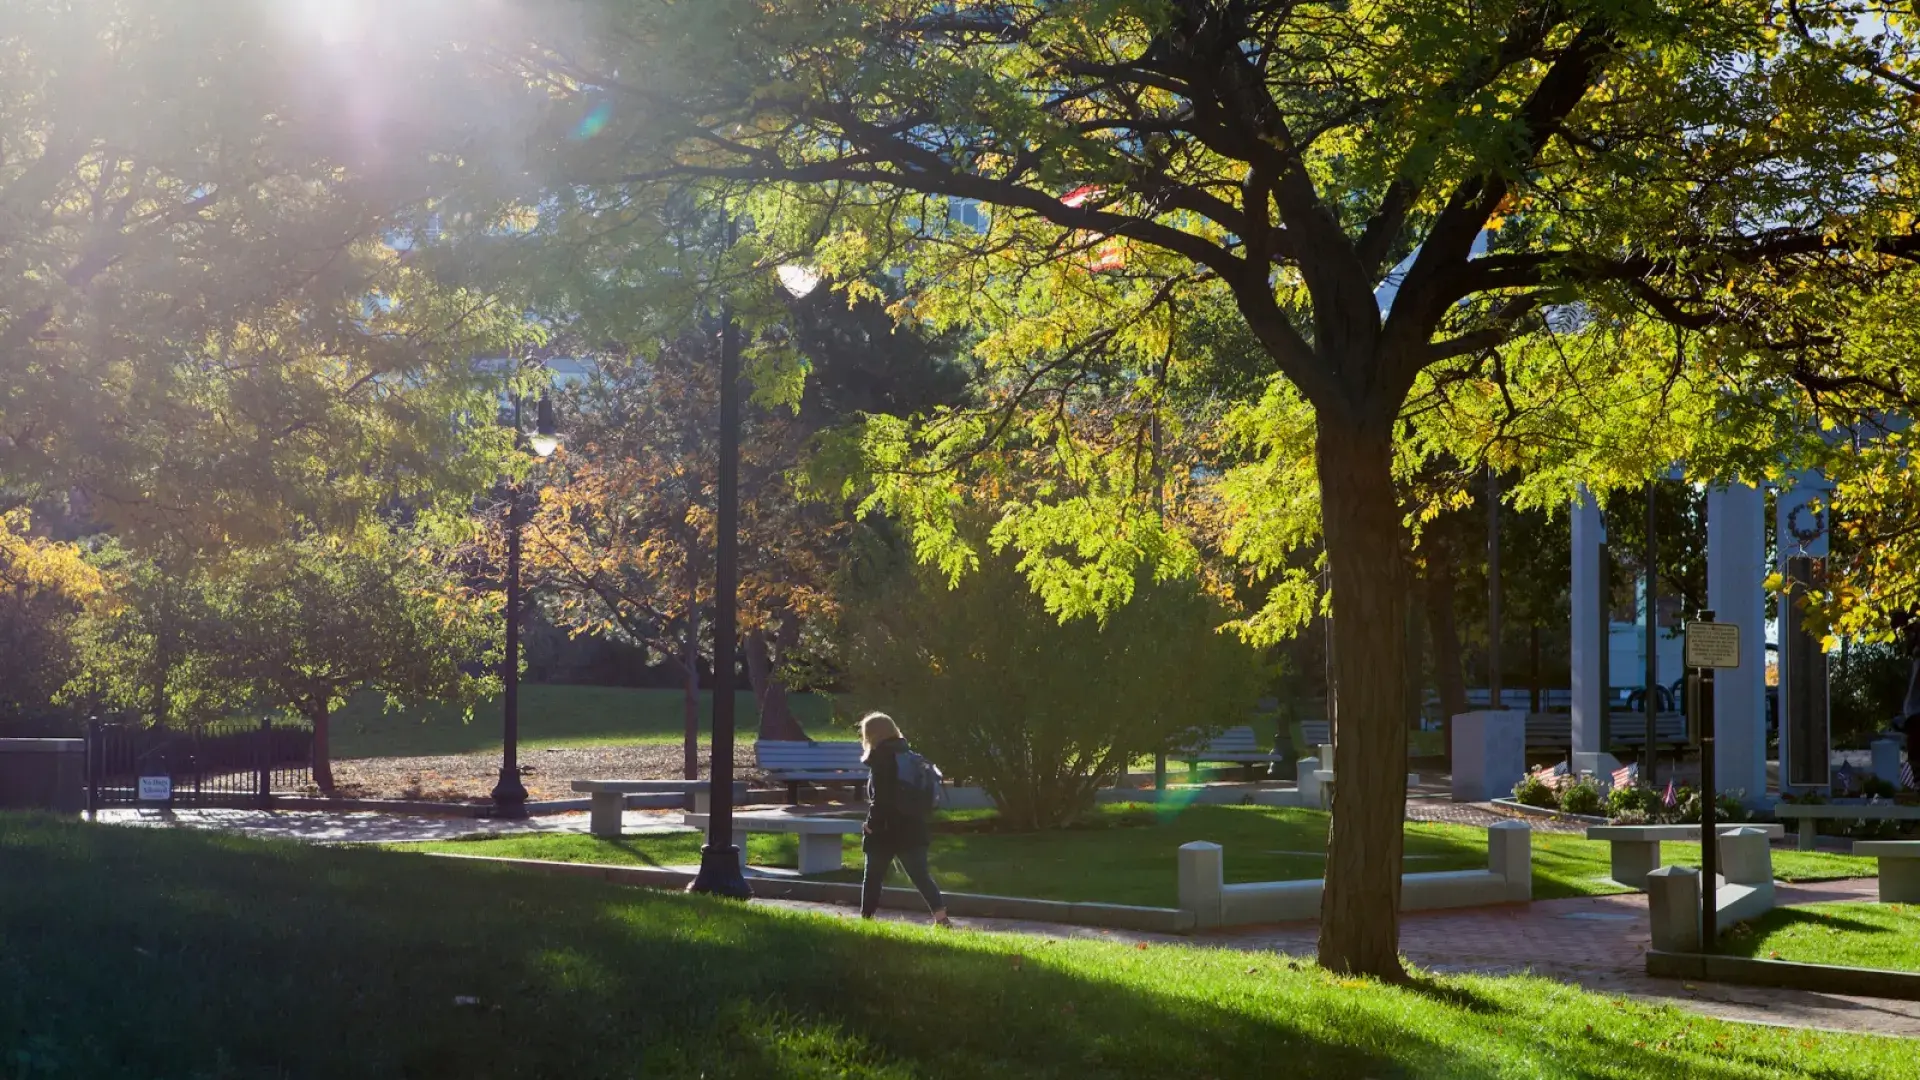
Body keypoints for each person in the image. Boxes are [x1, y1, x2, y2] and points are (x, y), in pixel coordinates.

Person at [858, 711, 950, 927]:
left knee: (873, 877)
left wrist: (871, 825)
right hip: (913, 826)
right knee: (921, 876)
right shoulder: (909, 756)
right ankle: (942, 919)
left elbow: (880, 800)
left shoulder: (881, 759)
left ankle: (866, 920)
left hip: (886, 829)